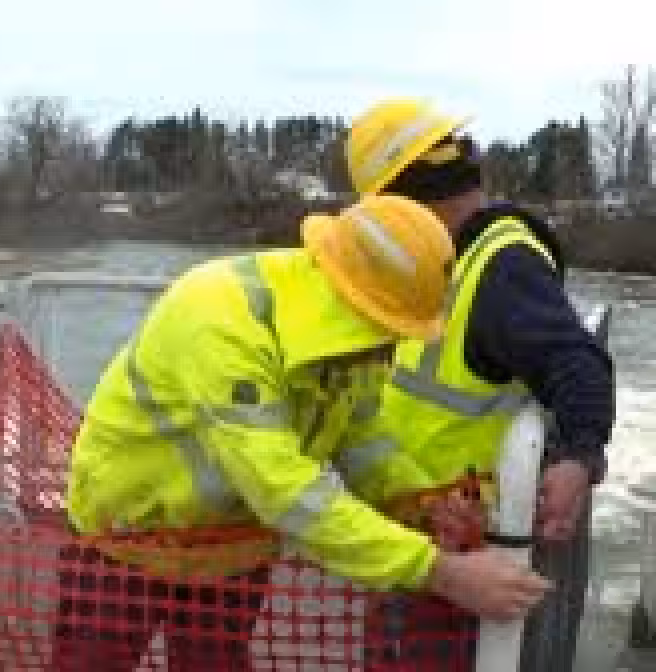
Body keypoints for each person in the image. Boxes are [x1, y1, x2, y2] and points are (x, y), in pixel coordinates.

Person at [53, 194, 551, 671]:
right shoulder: (221, 321)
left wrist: (421, 501)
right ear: (350, 303)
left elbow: (362, 440)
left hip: (231, 543)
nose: (389, 349)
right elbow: (286, 491)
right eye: (386, 329)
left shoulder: (354, 344)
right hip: (127, 539)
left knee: (215, 664)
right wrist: (442, 573)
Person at [340, 98, 617, 666]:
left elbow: (577, 363)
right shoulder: (439, 262)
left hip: (463, 540)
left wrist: (578, 456)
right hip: (410, 523)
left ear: (401, 199)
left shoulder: (502, 267)